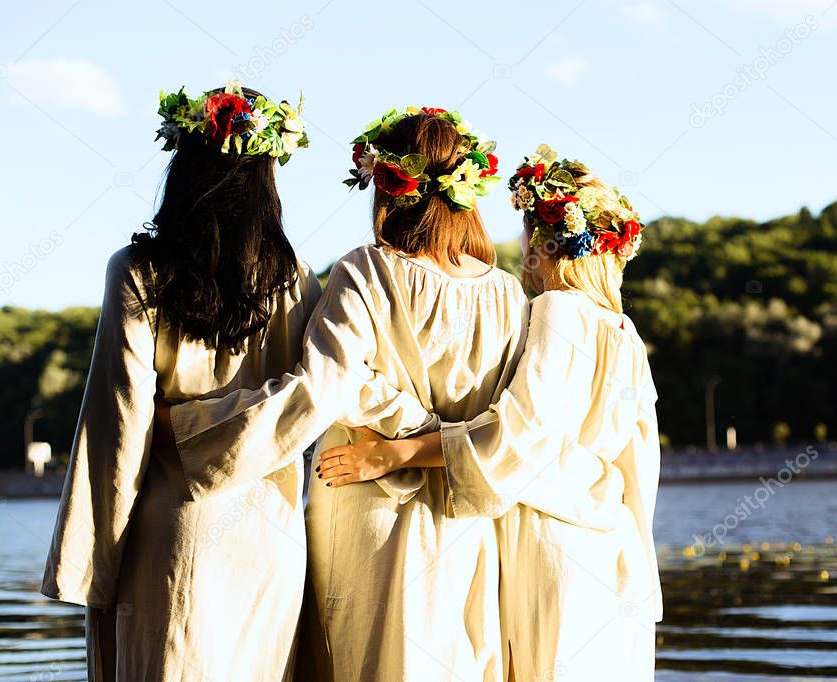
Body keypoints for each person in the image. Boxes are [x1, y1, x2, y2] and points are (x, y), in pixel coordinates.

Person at [41, 81, 405, 681]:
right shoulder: (295, 283)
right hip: (271, 533)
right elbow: (341, 385)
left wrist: (94, 564)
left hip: (174, 526)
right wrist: (429, 435)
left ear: (184, 168)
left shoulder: (139, 273)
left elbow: (118, 422)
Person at [156, 107, 528, 681]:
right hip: (467, 515)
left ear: (386, 185)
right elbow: (512, 419)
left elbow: (331, 382)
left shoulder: (367, 270)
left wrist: (194, 432)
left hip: (370, 499)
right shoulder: (508, 295)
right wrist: (444, 439)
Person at [318, 145, 664, 681]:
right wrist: (640, 563)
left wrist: (396, 452)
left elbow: (518, 432)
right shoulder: (625, 332)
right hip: (611, 545)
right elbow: (640, 465)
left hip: (550, 539)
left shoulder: (556, 311)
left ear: (543, 242)